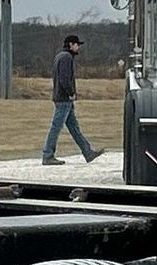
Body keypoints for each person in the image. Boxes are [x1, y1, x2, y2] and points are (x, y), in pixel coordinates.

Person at [43, 35, 105, 166]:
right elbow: (64, 79)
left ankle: (88, 152)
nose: (78, 47)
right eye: (77, 44)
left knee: (74, 127)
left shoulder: (60, 56)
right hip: (64, 98)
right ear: (71, 44)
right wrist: (71, 93)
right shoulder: (66, 57)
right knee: (56, 127)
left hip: (61, 97)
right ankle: (48, 155)